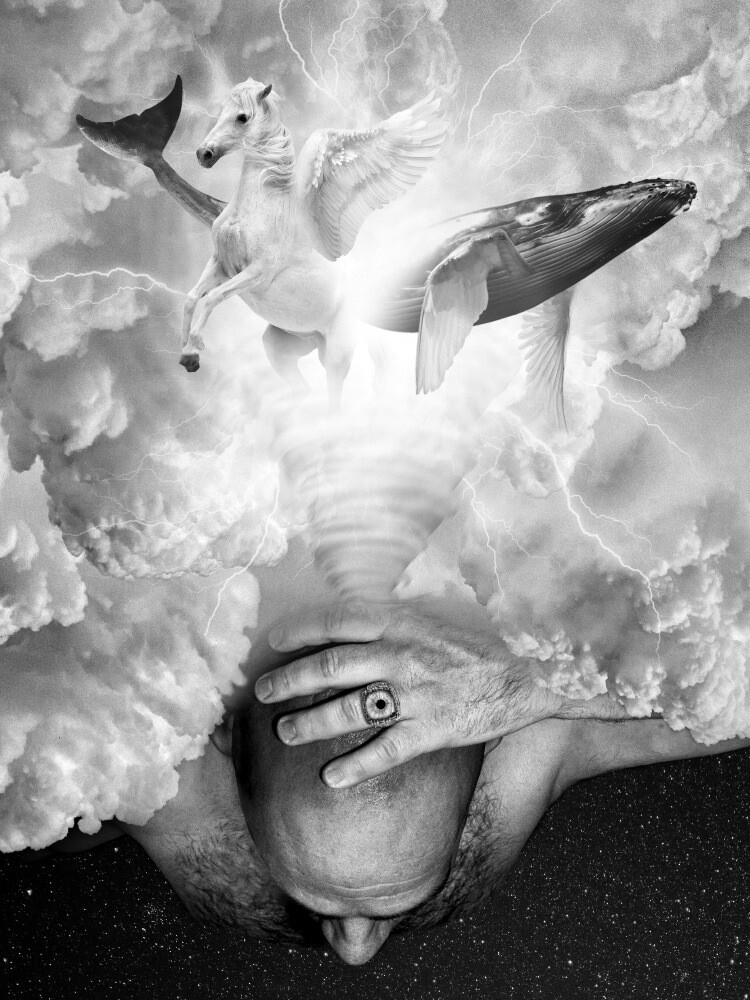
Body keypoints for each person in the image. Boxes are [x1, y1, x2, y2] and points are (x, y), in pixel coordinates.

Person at [31, 601, 750, 966]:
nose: (355, 951)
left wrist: (533, 684)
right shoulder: (150, 749)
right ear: (221, 732)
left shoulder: (528, 734)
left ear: (492, 734)